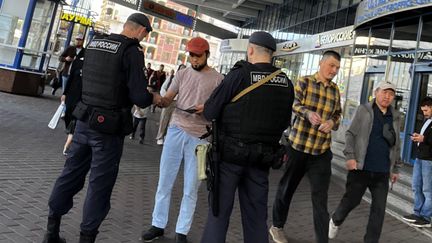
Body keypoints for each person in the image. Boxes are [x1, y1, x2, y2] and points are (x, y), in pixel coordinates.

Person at [41, 13, 158, 243]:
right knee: (99, 185)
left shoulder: (94, 43)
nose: (144, 37)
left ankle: (51, 231)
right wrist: (155, 98)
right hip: (108, 130)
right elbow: (139, 96)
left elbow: (76, 81)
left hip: (83, 121)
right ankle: (86, 238)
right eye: (146, 33)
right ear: (141, 30)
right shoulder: (132, 51)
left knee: (69, 175)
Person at [198, 31, 295, 243]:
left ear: (250, 49)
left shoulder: (240, 74)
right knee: (256, 219)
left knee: (219, 214)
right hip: (262, 160)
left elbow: (210, 111)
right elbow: (285, 122)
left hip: (229, 158)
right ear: (271, 54)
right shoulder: (285, 82)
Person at [141, 37, 223, 243]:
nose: (194, 60)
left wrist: (207, 108)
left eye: (198, 55)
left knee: (191, 187)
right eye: (191, 55)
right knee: (164, 181)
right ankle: (158, 225)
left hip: (201, 138)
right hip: (176, 130)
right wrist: (159, 100)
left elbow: (221, 107)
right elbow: (168, 97)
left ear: (207, 55)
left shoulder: (218, 79)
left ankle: (182, 231)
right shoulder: (182, 73)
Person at [270, 50, 342, 243]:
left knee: (320, 199)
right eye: (331, 66)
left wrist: (332, 123)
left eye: (337, 68)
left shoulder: (335, 90)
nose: (334, 71)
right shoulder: (305, 82)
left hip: (321, 152)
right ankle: (277, 226)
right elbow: (294, 104)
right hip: (298, 147)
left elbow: (337, 115)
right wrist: (308, 114)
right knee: (287, 189)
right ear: (321, 63)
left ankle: (321, 240)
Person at [328, 81, 402, 242]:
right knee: (352, 200)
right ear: (376, 92)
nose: (387, 96)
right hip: (361, 168)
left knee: (379, 210)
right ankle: (336, 219)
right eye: (384, 92)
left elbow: (396, 144)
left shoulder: (395, 116)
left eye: (391, 94)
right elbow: (350, 134)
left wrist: (395, 168)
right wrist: (350, 156)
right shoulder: (364, 110)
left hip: (382, 171)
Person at [402, 96, 432, 228]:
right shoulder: (427, 121)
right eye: (423, 110)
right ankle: (417, 213)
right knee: (416, 186)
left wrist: (423, 139)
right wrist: (418, 138)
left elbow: (427, 139)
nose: (424, 113)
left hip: (429, 160)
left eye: (426, 110)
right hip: (420, 158)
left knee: (427, 190)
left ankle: (426, 217)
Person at [60, 44, 85, 156]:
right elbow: (70, 79)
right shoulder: (77, 63)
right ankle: (69, 133)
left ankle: (68, 144)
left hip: (82, 97)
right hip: (71, 94)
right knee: (69, 115)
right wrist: (65, 93)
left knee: (76, 118)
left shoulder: (93, 66)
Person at [155, 64, 186, 145]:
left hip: (178, 103)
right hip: (168, 101)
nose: (182, 71)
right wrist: (166, 97)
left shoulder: (185, 82)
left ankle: (167, 137)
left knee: (173, 121)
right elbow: (163, 88)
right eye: (181, 69)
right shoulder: (172, 77)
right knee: (164, 119)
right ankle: (160, 137)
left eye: (184, 70)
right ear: (178, 70)